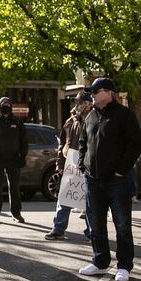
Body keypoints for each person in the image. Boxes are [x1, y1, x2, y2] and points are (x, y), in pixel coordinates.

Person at [77, 77, 141, 281]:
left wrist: (121, 170)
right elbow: (82, 142)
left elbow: (136, 144)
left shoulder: (124, 115)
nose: (92, 96)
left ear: (108, 93)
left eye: (95, 92)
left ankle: (124, 266)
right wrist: (82, 164)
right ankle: (100, 262)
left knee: (122, 224)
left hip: (117, 181)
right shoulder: (90, 117)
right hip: (92, 180)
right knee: (95, 223)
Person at [45, 91, 92, 241]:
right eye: (75, 102)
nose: (76, 105)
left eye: (79, 102)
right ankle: (58, 229)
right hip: (71, 163)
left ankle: (91, 232)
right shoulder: (71, 121)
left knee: (89, 200)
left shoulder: (94, 120)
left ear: (88, 104)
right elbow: (62, 143)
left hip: (88, 165)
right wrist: (60, 162)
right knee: (64, 198)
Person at [0, 97, 27, 223]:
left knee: (14, 187)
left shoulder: (18, 121)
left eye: (8, 104)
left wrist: (22, 156)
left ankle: (16, 213)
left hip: (13, 159)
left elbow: (24, 141)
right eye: (3, 104)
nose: (6, 106)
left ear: (11, 106)